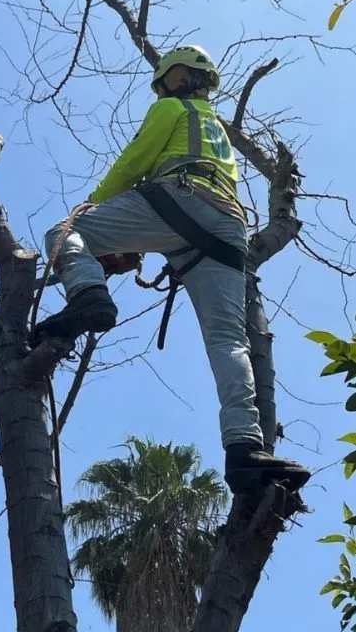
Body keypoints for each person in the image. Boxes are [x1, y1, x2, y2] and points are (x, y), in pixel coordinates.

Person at [31, 46, 310, 494]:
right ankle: (245, 449)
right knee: (229, 341)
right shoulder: (215, 126)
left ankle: (87, 295)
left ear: (175, 79)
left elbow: (135, 161)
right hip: (226, 227)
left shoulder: (171, 108)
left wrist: (95, 209)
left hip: (181, 198)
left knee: (61, 234)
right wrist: (137, 248)